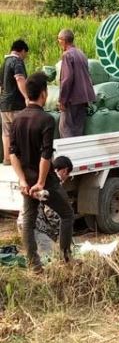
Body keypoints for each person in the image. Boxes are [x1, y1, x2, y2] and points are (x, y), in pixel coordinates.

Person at [9, 73, 74, 271]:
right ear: (44, 94)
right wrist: (41, 182)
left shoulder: (17, 119)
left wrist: (23, 181)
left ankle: (34, 265)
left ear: (27, 94)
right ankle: (66, 259)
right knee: (67, 214)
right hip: (45, 181)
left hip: (26, 182)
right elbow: (46, 155)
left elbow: (12, 154)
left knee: (28, 221)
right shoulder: (46, 119)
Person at [17, 156, 74, 256]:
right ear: (65, 171)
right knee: (53, 256)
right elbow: (51, 214)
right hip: (35, 228)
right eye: (68, 174)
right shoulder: (53, 183)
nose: (67, 177)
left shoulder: (42, 175)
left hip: (24, 223)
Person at [57, 29, 96, 138]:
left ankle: (68, 155)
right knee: (78, 130)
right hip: (83, 98)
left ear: (64, 40)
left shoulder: (67, 55)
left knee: (65, 129)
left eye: (59, 39)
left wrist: (62, 100)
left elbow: (67, 79)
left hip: (72, 99)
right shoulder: (81, 53)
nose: (58, 42)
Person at [0, 39, 29, 165]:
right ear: (22, 51)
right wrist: (27, 97)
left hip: (4, 105)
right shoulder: (17, 61)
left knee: (6, 133)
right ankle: (19, 160)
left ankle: (7, 159)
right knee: (20, 132)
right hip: (16, 104)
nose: (25, 57)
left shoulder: (5, 62)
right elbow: (20, 79)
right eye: (25, 54)